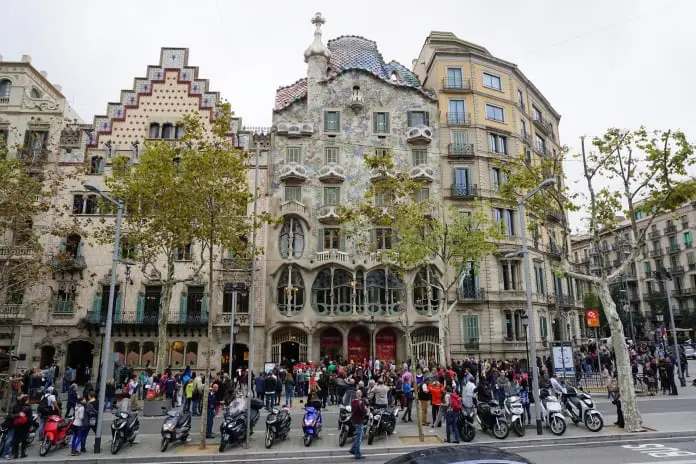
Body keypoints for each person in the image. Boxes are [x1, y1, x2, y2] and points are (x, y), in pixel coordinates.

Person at [348, 389, 368, 460]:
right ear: (361, 395)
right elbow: (365, 412)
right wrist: (366, 409)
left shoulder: (353, 401)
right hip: (359, 421)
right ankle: (357, 454)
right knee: (359, 438)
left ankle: (353, 448)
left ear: (356, 395)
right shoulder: (360, 403)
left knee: (361, 434)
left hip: (354, 421)